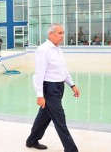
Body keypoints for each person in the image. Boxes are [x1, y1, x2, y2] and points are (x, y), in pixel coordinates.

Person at [26, 23, 80, 151]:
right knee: (60, 120)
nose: (62, 36)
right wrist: (40, 95)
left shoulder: (58, 50)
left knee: (44, 117)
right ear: (51, 34)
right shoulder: (43, 50)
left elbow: (63, 70)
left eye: (63, 33)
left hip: (59, 87)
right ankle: (71, 149)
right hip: (49, 89)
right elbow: (38, 74)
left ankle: (31, 140)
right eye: (59, 33)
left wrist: (72, 85)